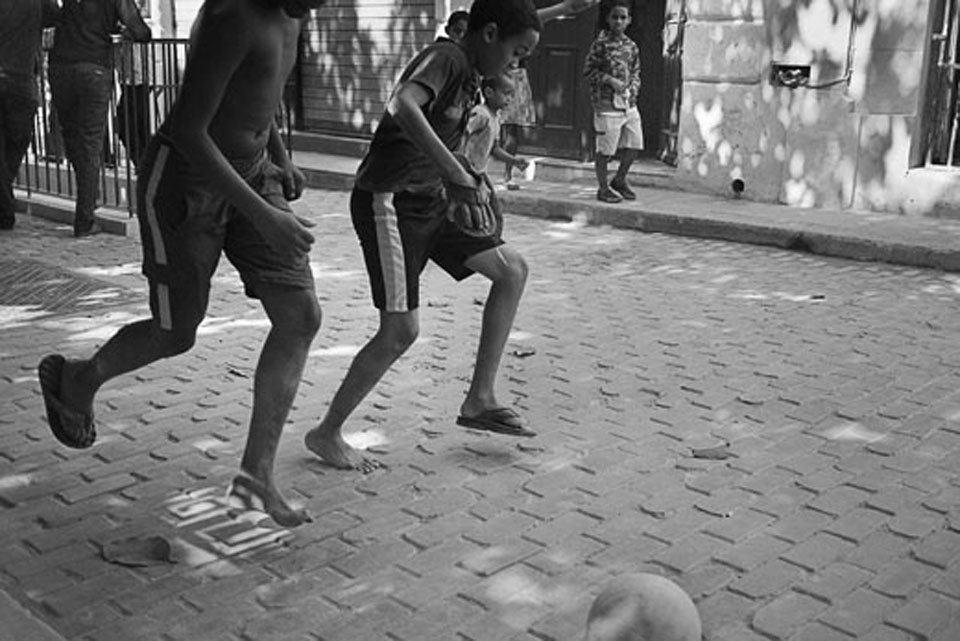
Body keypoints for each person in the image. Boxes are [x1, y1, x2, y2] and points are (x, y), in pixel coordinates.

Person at [37, 0, 325, 527]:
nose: (322, 5)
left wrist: (280, 157)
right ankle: (79, 380)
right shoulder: (230, 15)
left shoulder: (295, 12)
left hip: (252, 172)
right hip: (185, 180)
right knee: (177, 331)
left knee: (300, 315)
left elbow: (262, 88)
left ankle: (256, 477)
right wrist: (262, 215)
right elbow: (192, 130)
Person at [304, 0, 599, 473]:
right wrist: (456, 174)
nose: (517, 65)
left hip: (432, 199)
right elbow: (403, 104)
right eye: (516, 53)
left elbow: (522, 21)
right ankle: (327, 432)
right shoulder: (447, 59)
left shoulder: (476, 61)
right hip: (391, 202)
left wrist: (572, 6)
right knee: (400, 331)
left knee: (512, 271)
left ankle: (479, 399)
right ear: (487, 36)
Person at [48, 0, 151, 237]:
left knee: (72, 137)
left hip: (61, 67)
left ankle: (88, 196)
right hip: (94, 68)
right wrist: (121, 32)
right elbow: (142, 33)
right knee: (90, 141)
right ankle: (85, 218)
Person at [0, 0, 61, 231]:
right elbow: (55, 17)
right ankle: (4, 206)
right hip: (21, 79)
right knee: (17, 143)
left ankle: (4, 206)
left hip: (16, 77)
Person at [583, 0, 642, 204]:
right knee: (606, 149)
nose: (619, 21)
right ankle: (603, 188)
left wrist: (632, 89)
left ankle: (620, 179)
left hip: (628, 103)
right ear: (608, 19)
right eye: (615, 17)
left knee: (635, 145)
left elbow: (636, 72)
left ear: (629, 21)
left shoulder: (631, 46)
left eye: (623, 18)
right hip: (606, 103)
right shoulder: (600, 44)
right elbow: (589, 71)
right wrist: (609, 80)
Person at [462, 73, 529, 180]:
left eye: (511, 95)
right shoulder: (481, 115)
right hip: (465, 170)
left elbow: (494, 149)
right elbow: (463, 135)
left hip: (479, 172)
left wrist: (514, 161)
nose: (509, 99)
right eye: (506, 94)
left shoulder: (496, 118)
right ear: (489, 92)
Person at [499, 60, 536, 190]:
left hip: (513, 77)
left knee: (511, 131)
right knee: (508, 130)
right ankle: (507, 176)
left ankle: (507, 175)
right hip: (506, 78)